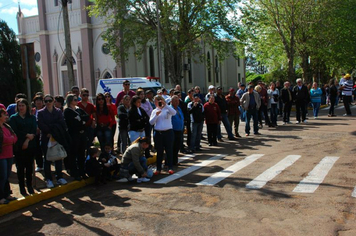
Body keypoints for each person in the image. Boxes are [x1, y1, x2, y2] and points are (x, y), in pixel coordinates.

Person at [37, 95, 69, 188]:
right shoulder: (41, 113)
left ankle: (59, 177)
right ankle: (49, 179)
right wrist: (51, 130)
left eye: (50, 100)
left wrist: (53, 131)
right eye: (46, 101)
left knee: (58, 158)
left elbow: (61, 123)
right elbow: (41, 124)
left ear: (53, 101)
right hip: (46, 138)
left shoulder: (58, 111)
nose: (48, 103)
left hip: (57, 138)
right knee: (47, 159)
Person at [9, 99, 37, 196]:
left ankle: (29, 186)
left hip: (30, 145)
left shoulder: (32, 118)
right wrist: (26, 136)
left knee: (29, 167)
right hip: (19, 146)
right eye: (19, 106)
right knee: (20, 168)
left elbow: (34, 130)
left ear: (26, 106)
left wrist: (27, 140)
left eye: (23, 106)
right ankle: (22, 187)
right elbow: (15, 131)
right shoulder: (13, 118)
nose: (21, 108)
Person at [64, 94, 89, 181]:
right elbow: (72, 123)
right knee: (73, 154)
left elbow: (87, 116)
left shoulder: (78, 109)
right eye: (75, 99)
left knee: (82, 154)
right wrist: (80, 121)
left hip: (82, 134)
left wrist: (80, 119)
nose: (76, 101)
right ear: (70, 101)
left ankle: (82, 171)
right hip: (74, 135)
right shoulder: (67, 111)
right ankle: (75, 173)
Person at [149, 95, 176, 175]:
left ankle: (170, 167)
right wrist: (156, 115)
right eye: (157, 101)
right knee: (159, 151)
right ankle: (158, 168)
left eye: (160, 100)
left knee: (169, 150)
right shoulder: (154, 111)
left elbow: (174, 113)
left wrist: (166, 105)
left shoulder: (168, 109)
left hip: (168, 132)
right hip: (158, 133)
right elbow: (151, 122)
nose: (159, 102)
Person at [0, 108, 18, 204]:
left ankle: (6, 194)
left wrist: (9, 139)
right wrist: (9, 140)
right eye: (4, 115)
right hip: (1, 156)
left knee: (6, 176)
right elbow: (5, 140)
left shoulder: (7, 127)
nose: (6, 116)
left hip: (9, 154)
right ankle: (0, 196)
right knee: (2, 176)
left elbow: (14, 137)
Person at [171, 95, 184, 165]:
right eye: (175, 101)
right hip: (173, 130)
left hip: (179, 130)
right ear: (171, 101)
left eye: (178, 101)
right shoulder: (170, 109)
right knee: (172, 147)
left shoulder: (179, 108)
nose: (177, 102)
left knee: (177, 146)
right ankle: (169, 162)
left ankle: (175, 161)